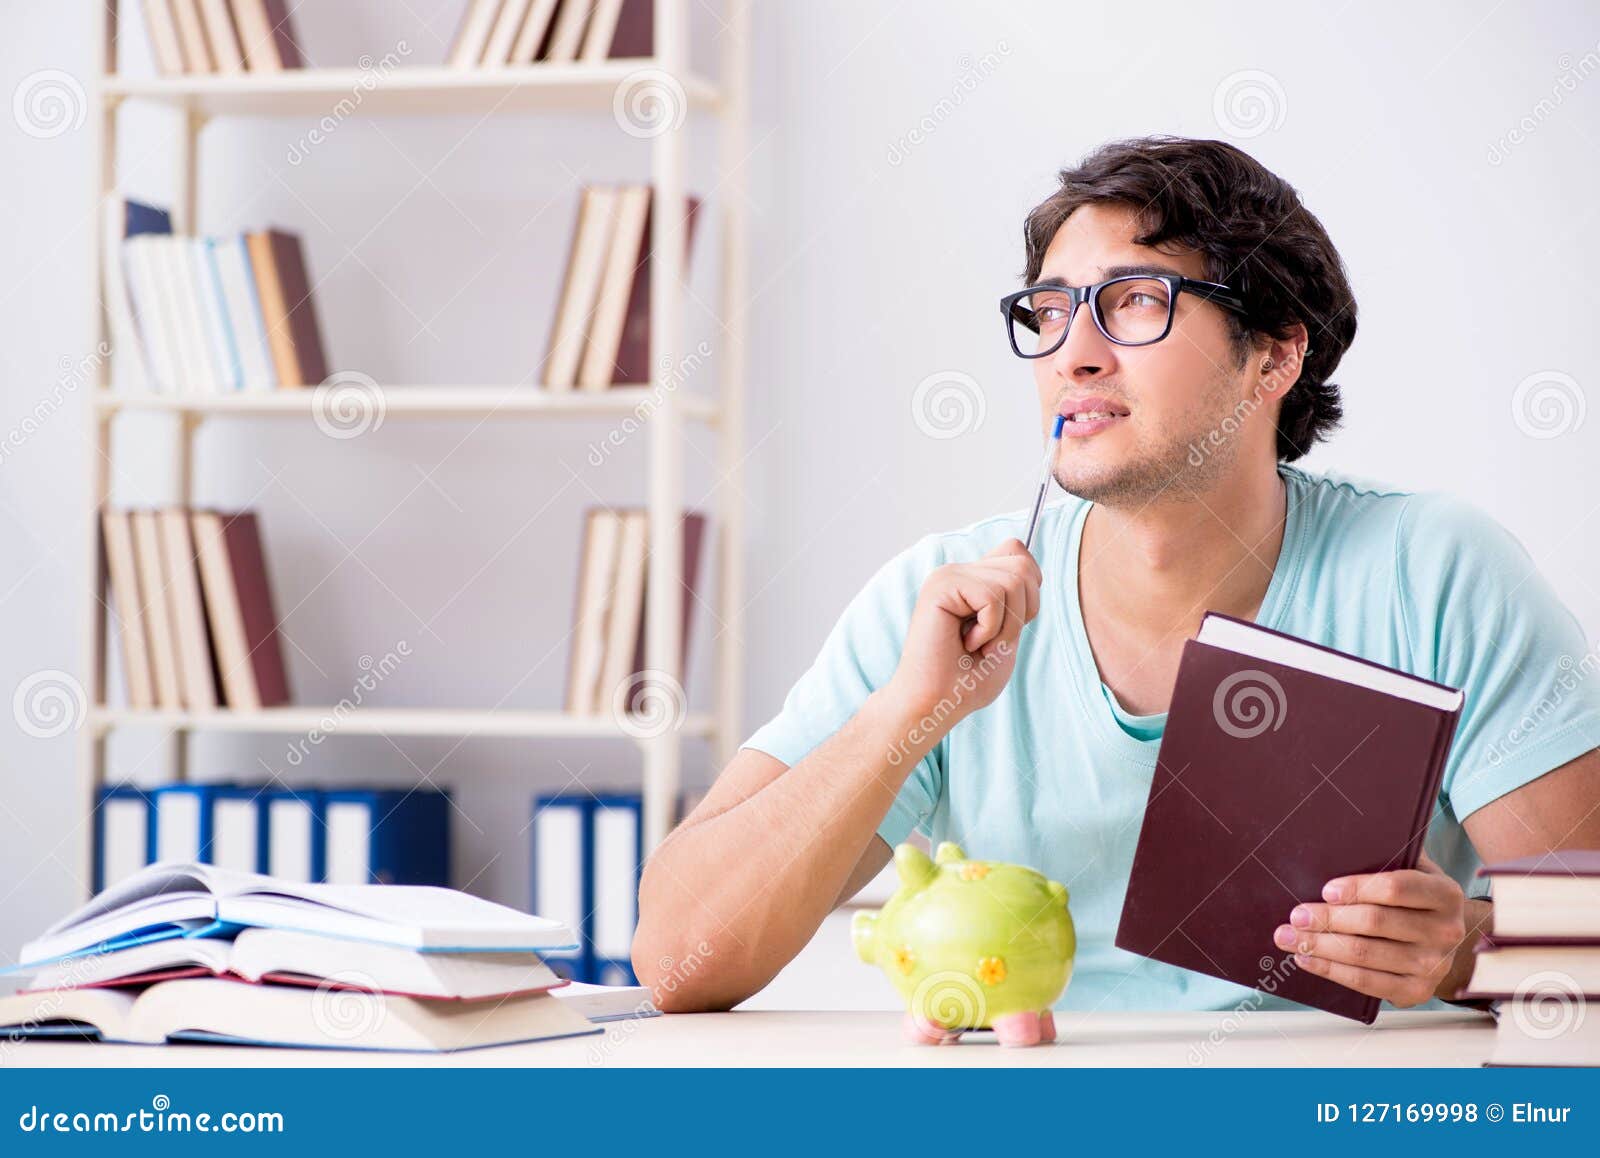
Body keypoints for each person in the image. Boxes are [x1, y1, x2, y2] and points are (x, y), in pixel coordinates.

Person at [633, 136, 1600, 1016]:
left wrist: (1464, 953)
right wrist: (907, 712)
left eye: (1135, 302)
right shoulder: (941, 599)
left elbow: (1588, 949)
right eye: (1049, 312)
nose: (1073, 355)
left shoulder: (1432, 573)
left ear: (1275, 353)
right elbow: (678, 960)